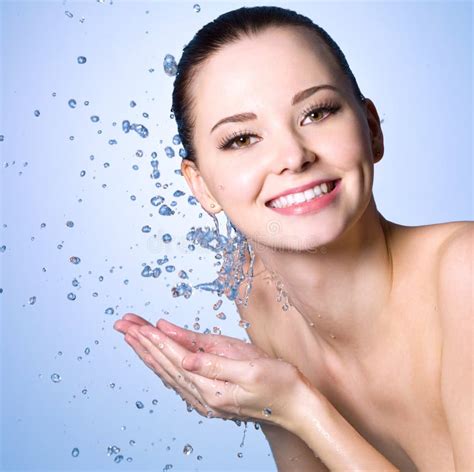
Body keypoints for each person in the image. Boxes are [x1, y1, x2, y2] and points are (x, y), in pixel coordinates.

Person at [114, 6, 473, 471]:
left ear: (372, 128)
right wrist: (278, 410)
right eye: (242, 139)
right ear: (200, 185)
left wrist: (296, 408)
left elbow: (294, 408)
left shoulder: (465, 275)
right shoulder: (257, 295)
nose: (292, 156)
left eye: (317, 112)